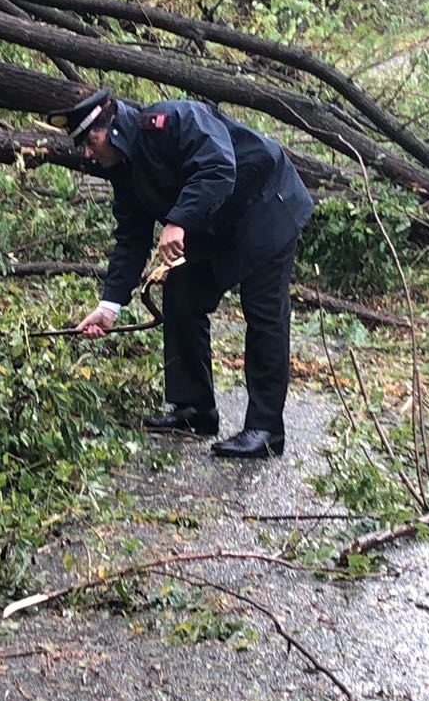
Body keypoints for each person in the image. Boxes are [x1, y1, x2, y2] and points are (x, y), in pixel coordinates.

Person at [53, 89, 313, 458]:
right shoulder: (122, 168)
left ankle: (265, 429)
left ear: (111, 128)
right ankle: (195, 410)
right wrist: (109, 306)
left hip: (266, 206)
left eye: (91, 141)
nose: (88, 153)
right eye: (82, 146)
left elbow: (220, 168)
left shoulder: (173, 122)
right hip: (215, 226)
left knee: (264, 312)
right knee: (182, 295)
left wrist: (177, 221)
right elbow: (131, 238)